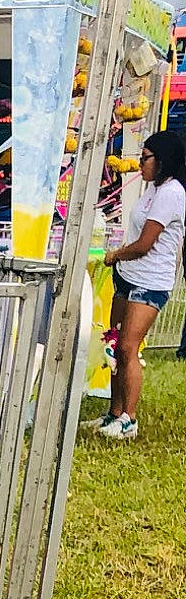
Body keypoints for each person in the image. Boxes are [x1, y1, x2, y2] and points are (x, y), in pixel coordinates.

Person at [95, 131, 186, 442]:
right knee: (114, 346)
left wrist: (115, 255)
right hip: (128, 276)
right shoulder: (152, 190)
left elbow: (144, 244)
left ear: (162, 161)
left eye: (145, 158)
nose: (139, 164)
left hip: (150, 282)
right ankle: (114, 412)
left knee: (127, 348)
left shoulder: (171, 193)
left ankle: (129, 419)